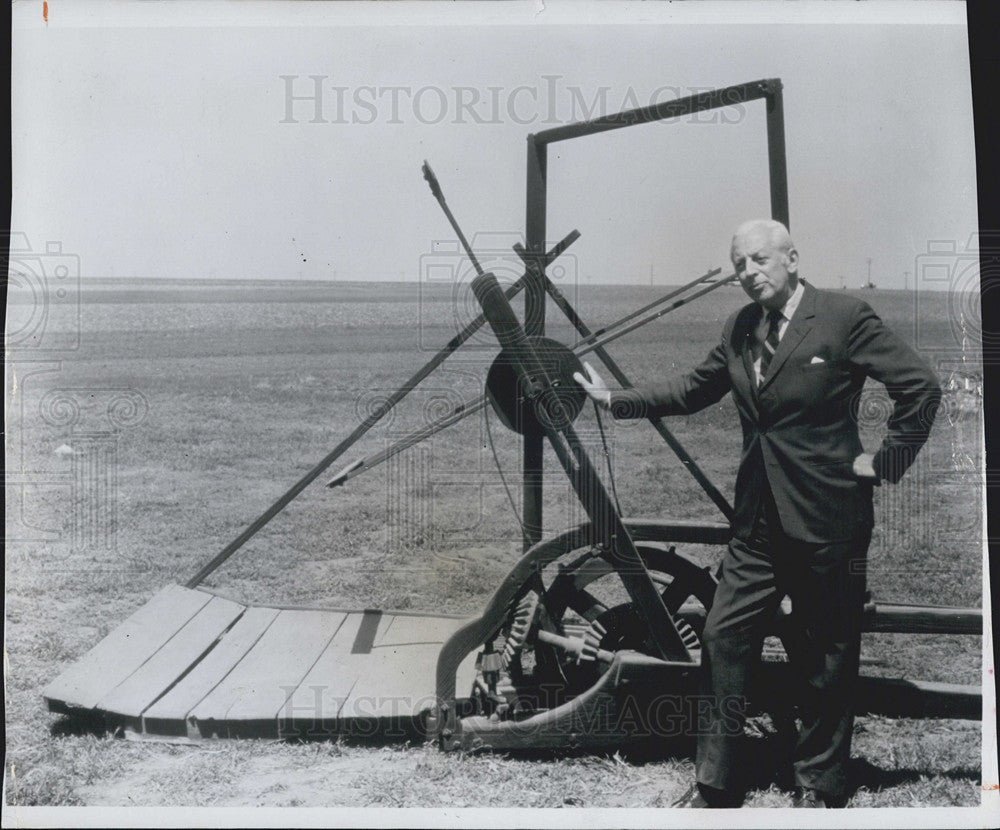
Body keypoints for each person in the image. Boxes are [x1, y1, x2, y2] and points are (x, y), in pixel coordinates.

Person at [573, 219, 941, 808]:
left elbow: (919, 385)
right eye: (739, 264)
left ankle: (819, 785)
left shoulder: (844, 318)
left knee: (824, 654)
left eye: (760, 260)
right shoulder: (742, 327)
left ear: (793, 258)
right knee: (723, 639)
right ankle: (717, 784)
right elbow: (694, 389)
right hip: (758, 527)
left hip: (829, 521)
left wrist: (889, 461)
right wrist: (615, 398)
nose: (749, 273)